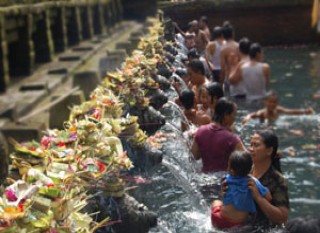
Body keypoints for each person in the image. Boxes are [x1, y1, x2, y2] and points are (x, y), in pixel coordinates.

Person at [211, 151, 272, 229]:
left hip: (218, 219)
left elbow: (225, 194)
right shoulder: (253, 181)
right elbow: (269, 197)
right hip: (237, 224)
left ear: (232, 171)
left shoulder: (226, 178)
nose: (227, 168)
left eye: (228, 166)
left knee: (216, 202)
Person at [191, 98, 246, 173]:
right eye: (234, 114)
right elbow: (247, 161)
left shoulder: (200, 131)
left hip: (204, 177)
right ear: (226, 116)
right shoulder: (231, 138)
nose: (235, 118)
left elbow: (194, 156)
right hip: (223, 181)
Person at [247, 129, 289, 227]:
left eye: (256, 145)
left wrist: (258, 197)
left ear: (269, 150)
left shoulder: (277, 180)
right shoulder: (245, 169)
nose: (251, 149)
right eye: (251, 145)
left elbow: (282, 218)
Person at [242, 91, 315, 125]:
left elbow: (291, 112)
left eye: (274, 102)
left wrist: (305, 111)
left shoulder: (278, 110)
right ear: (265, 102)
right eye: (270, 102)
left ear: (277, 103)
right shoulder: (262, 113)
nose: (272, 104)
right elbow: (252, 115)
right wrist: (247, 118)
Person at [220, 21, 239, 96]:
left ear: (223, 35)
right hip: (238, 78)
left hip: (228, 78)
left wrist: (220, 85)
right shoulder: (239, 46)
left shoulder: (223, 49)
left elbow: (222, 69)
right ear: (233, 33)